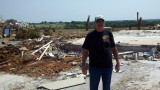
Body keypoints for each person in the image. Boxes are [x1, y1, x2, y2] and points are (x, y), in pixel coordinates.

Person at [81, 15, 120, 90]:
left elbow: (114, 48)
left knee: (106, 88)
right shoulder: (90, 35)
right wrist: (83, 65)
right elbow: (85, 51)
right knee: (93, 88)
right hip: (94, 68)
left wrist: (118, 62)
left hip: (108, 67)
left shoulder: (108, 34)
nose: (100, 23)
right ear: (94, 23)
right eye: (98, 21)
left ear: (104, 23)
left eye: (102, 21)